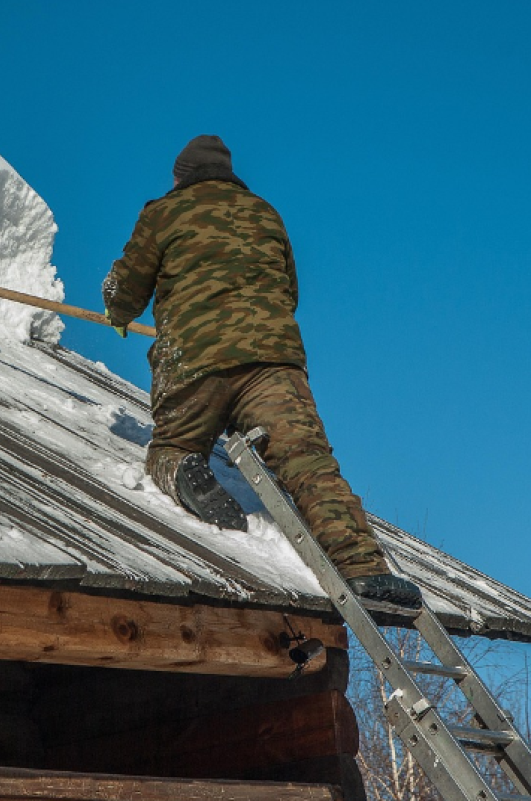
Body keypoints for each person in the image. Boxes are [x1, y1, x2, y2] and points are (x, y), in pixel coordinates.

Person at [103, 135, 421, 608]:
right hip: (273, 360)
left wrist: (117, 312)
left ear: (180, 176)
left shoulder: (164, 212)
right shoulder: (266, 213)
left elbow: (127, 286)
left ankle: (183, 468)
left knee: (174, 442)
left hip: (195, 358)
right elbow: (288, 291)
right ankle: (363, 568)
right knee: (309, 461)